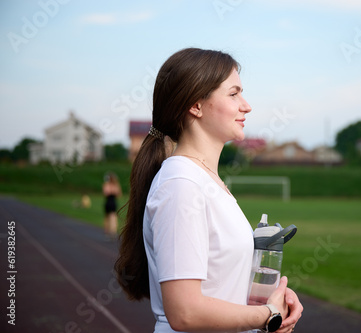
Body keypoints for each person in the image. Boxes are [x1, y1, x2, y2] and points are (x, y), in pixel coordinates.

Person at [114, 48, 303, 333]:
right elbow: (185, 312)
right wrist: (267, 315)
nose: (246, 105)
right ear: (196, 105)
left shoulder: (203, 180)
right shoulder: (181, 184)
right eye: (233, 94)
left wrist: (271, 302)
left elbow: (219, 286)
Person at [102, 172, 122, 239]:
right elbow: (119, 194)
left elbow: (105, 193)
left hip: (108, 201)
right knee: (113, 217)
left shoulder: (106, 185)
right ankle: (113, 231)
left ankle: (107, 232)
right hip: (113, 201)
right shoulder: (116, 185)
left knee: (107, 217)